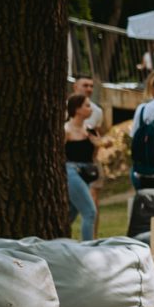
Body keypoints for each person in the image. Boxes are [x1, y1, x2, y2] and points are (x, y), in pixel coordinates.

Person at [64, 93, 101, 241]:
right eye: (87, 105)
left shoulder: (90, 130)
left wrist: (97, 145)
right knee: (90, 212)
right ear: (77, 109)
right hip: (71, 172)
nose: (91, 109)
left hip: (86, 173)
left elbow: (92, 156)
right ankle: (88, 248)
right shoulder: (66, 129)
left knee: (70, 214)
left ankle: (54, 239)